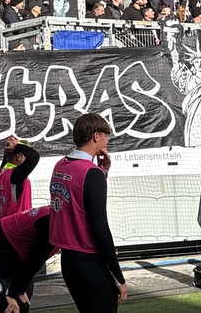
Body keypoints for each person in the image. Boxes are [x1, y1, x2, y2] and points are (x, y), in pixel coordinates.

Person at [49, 113, 126, 313]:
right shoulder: (90, 173)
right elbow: (100, 228)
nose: (107, 141)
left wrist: (103, 171)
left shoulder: (61, 165)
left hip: (69, 262)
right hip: (89, 262)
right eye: (105, 136)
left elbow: (79, 198)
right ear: (96, 136)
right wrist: (119, 277)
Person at [0, 136, 40, 218]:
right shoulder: (15, 175)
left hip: (5, 223)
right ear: (19, 157)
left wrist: (13, 145)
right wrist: (17, 144)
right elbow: (34, 157)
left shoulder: (2, 171)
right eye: (25, 156)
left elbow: (8, 155)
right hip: (19, 226)